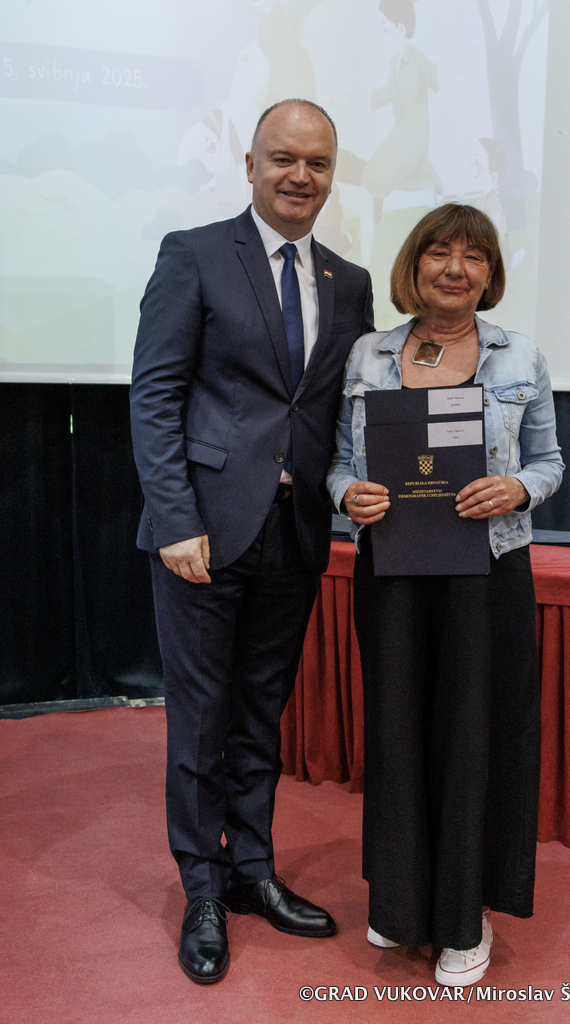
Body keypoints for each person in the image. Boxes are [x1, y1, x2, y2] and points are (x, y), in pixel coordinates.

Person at [130, 98, 373, 985]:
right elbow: (155, 395)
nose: (299, 176)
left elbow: (339, 409)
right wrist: (175, 520)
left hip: (296, 533)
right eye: (283, 159)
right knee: (200, 721)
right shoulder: (193, 254)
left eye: (316, 163)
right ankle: (201, 889)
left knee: (261, 715)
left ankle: (251, 870)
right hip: (201, 535)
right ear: (250, 165)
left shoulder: (349, 281)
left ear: (331, 175)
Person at [327, 203, 563, 987]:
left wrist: (517, 489)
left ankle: (465, 917)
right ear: (414, 264)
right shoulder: (367, 355)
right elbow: (337, 463)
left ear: (489, 273)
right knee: (396, 734)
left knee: (474, 737)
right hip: (392, 572)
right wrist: (346, 495)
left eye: (473, 255)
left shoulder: (519, 355)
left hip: (486, 574)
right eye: (438, 252)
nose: (454, 268)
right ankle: (401, 904)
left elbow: (549, 462)